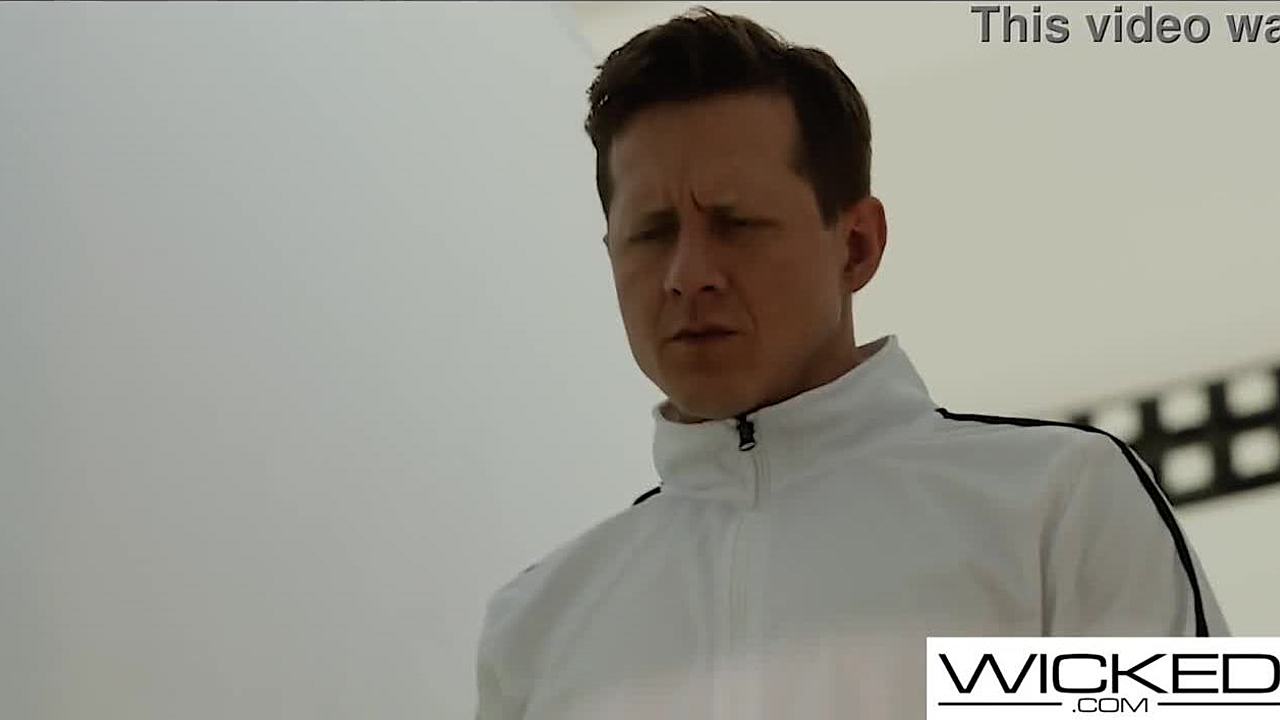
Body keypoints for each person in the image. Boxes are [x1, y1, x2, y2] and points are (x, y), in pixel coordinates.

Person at [473, 7, 1230, 719]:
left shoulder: (1060, 505)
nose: (688, 273)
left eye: (736, 223)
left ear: (857, 245)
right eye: (651, 232)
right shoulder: (537, 628)